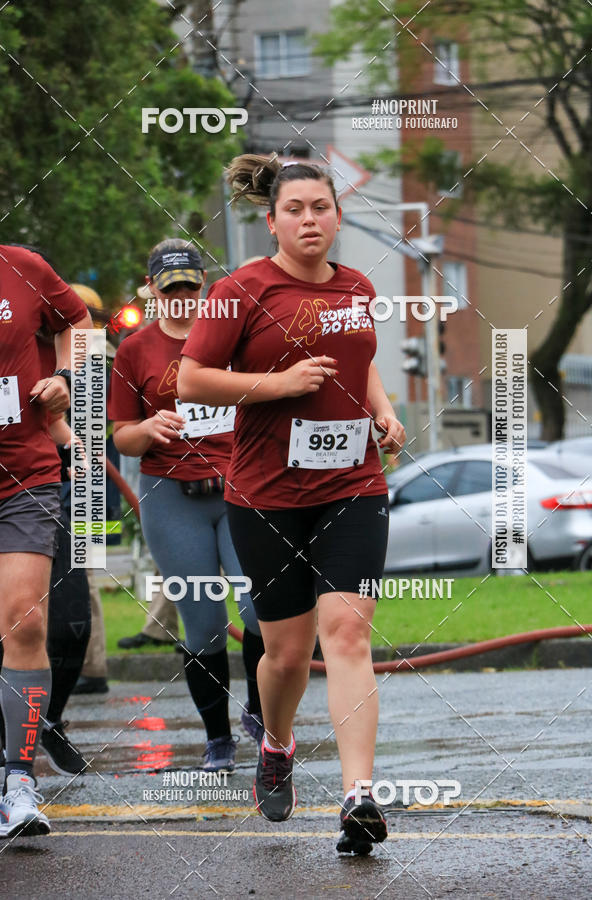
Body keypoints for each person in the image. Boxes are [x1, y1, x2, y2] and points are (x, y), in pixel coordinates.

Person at [177, 155, 406, 854]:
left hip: (353, 485)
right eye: (296, 210)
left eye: (322, 208)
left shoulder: (359, 286)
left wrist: (385, 414)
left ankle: (357, 795)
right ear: (272, 219)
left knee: (348, 633)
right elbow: (189, 380)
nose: (310, 220)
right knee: (284, 655)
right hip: (268, 494)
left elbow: (361, 363)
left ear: (338, 214)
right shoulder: (239, 290)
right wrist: (277, 386)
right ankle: (275, 744)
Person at [108, 238, 265, 773]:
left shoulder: (232, 336)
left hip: (239, 489)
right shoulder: (136, 350)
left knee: (259, 610)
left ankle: (264, 712)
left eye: (191, 288)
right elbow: (121, 436)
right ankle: (218, 738)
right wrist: (147, 427)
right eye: (170, 289)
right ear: (152, 291)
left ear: (206, 288)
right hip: (172, 498)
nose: (182, 298)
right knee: (203, 626)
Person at [0, 244, 91, 837]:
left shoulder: (23, 268)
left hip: (24, 476)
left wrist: (64, 376)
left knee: (25, 622)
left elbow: (81, 324)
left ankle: (18, 783)